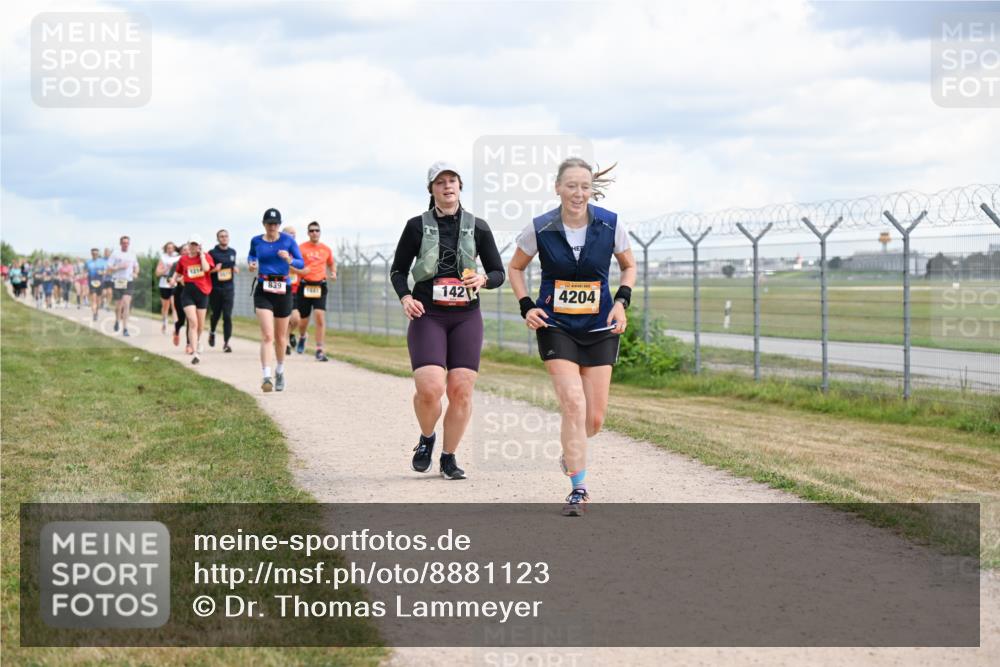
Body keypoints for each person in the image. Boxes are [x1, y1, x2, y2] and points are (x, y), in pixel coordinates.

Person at [507, 157, 636, 516]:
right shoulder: (541, 227)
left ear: (591, 190)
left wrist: (621, 303)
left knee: (592, 420)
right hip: (556, 326)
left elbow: (628, 266)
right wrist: (527, 306)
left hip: (600, 327)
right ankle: (578, 489)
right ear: (558, 188)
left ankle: (571, 450)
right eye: (571, 186)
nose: (578, 193)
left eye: (584, 186)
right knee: (573, 404)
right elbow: (515, 267)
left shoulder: (611, 224)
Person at [389, 161, 505, 480]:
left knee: (461, 390)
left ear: (460, 186)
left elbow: (498, 272)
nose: (447, 186)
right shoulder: (416, 226)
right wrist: (406, 297)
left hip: (466, 316)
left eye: (452, 180)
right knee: (430, 388)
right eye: (440, 182)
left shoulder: (478, 227)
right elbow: (398, 270)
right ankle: (427, 438)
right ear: (432, 190)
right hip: (428, 314)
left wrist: (483, 279)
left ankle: (448, 457)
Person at [249, 208, 304, 392]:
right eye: (269, 223)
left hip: (283, 290)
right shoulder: (256, 240)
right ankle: (266, 376)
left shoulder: (288, 241)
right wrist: (252, 263)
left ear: (279, 225)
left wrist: (289, 259)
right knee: (267, 335)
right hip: (263, 289)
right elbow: (252, 255)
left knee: (281, 338)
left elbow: (301, 262)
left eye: (275, 223)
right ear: (263, 224)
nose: (272, 226)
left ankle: (279, 371)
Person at [293, 221, 337, 361]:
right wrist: (300, 271)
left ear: (320, 232)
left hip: (320, 286)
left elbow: (331, 263)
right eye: (311, 230)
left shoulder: (326, 249)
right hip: (305, 285)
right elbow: (293, 265)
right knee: (303, 321)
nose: (314, 233)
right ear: (308, 233)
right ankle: (302, 336)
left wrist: (333, 273)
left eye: (317, 230)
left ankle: (319, 349)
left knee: (319, 316)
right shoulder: (301, 248)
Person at [172, 234, 215, 365]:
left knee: (200, 325)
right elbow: (178, 272)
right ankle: (195, 352)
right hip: (188, 293)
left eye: (196, 244)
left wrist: (201, 256)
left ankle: (197, 341)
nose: (193, 247)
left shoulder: (206, 256)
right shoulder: (183, 259)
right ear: (188, 244)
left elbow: (206, 269)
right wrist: (173, 279)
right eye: (191, 244)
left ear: (200, 246)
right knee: (193, 322)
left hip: (203, 293)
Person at [207, 229, 238, 353]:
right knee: (216, 315)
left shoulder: (233, 252)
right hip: (215, 289)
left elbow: (232, 265)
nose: (224, 238)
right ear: (217, 239)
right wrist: (215, 270)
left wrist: (235, 268)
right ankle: (212, 331)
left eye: (226, 236)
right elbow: (206, 271)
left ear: (228, 238)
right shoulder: (212, 253)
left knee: (227, 316)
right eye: (221, 236)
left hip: (229, 289)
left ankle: (226, 343)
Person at [108, 236, 139, 336]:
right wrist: (119, 267)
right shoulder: (115, 254)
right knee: (118, 305)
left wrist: (135, 273)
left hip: (128, 281)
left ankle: (125, 328)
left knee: (126, 303)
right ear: (120, 243)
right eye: (124, 243)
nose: (126, 244)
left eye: (127, 243)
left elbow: (136, 266)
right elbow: (109, 268)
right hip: (117, 281)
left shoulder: (132, 254)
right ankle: (117, 320)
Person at [283, 225, 302, 354]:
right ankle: (285, 342)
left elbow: (302, 266)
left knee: (295, 319)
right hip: (281, 289)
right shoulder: (279, 249)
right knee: (283, 318)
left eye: (294, 233)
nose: (293, 235)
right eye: (290, 233)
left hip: (295, 289)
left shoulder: (296, 250)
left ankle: (288, 335)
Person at [156, 242, 180, 333]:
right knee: (165, 306)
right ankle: (164, 322)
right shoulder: (163, 258)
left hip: (174, 283)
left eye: (171, 248)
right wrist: (167, 268)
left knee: (174, 306)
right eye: (168, 248)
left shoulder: (178, 257)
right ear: (166, 249)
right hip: (164, 283)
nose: (170, 249)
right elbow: (157, 273)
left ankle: (176, 327)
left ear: (174, 248)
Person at [84, 248, 107, 322]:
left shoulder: (102, 262)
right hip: (91, 283)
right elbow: (85, 271)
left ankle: (97, 312)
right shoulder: (88, 262)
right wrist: (85, 275)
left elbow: (106, 271)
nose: (95, 255)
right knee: (93, 299)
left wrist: (102, 272)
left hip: (100, 283)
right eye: (93, 253)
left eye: (96, 253)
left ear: (98, 254)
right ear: (91, 254)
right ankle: (94, 314)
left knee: (98, 300)